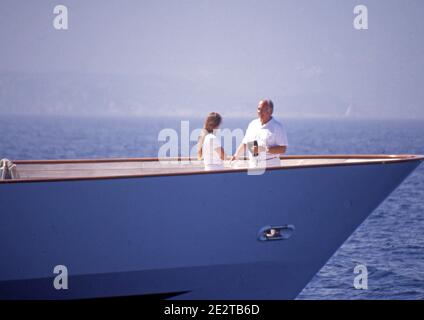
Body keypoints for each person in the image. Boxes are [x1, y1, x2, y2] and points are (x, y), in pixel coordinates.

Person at [231, 99, 288, 168]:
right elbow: (245, 143)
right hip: (253, 165)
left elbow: (282, 149)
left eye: (263, 109)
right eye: (259, 109)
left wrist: (263, 149)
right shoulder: (252, 124)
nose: (260, 112)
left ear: (271, 111)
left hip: (270, 166)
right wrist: (236, 155)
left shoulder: (277, 127)